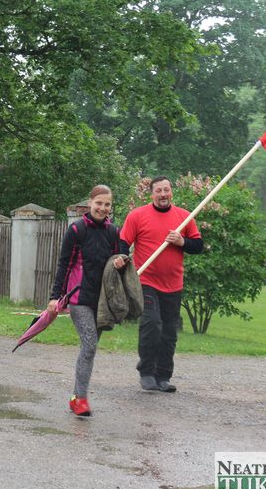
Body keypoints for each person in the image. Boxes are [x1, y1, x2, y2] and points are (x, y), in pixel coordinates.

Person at [47, 185, 128, 417]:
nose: (103, 208)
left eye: (107, 204)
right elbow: (64, 264)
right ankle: (81, 399)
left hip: (102, 300)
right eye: (99, 203)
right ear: (90, 203)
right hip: (79, 298)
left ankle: (76, 396)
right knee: (90, 344)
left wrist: (120, 263)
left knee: (88, 349)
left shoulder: (113, 232)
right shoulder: (77, 229)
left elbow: (120, 262)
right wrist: (55, 297)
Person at [120, 176, 203, 393]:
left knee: (169, 332)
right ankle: (147, 372)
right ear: (152, 194)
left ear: (171, 191)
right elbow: (123, 243)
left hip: (174, 284)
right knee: (151, 323)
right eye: (159, 191)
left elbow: (198, 246)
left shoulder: (184, 217)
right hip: (146, 281)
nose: (163, 194)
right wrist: (121, 261)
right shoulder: (137, 215)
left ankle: (163, 376)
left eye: (166, 190)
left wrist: (182, 241)